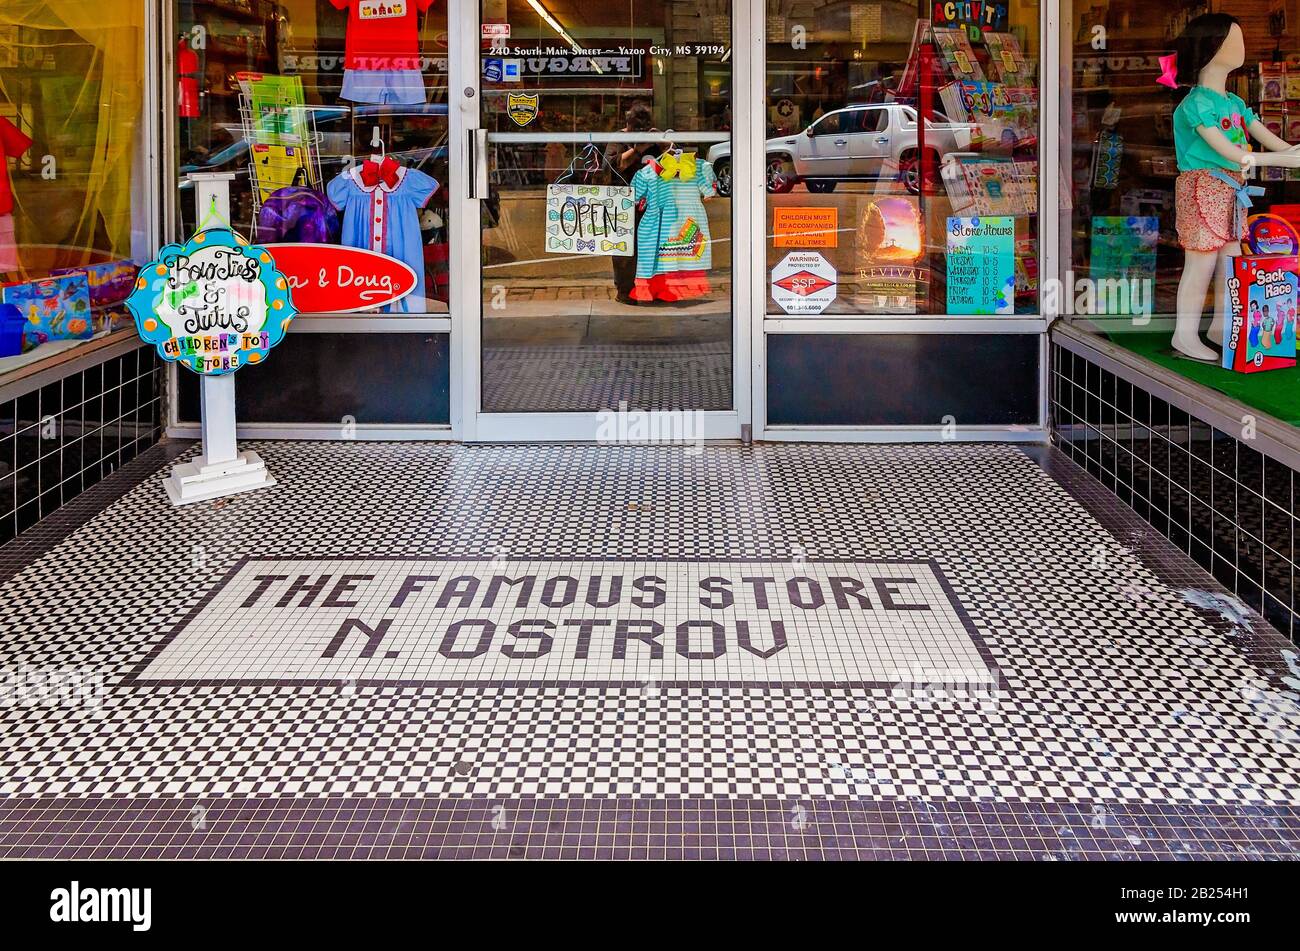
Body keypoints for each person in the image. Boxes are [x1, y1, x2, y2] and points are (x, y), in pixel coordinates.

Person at [603, 102, 661, 304]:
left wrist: (661, 139)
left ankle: (656, 287)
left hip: (652, 201)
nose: (639, 132)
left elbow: (676, 155)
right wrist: (636, 150)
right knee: (625, 249)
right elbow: (609, 166)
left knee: (656, 247)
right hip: (625, 200)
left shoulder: (654, 138)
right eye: (637, 129)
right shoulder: (619, 139)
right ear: (628, 125)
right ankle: (625, 291)